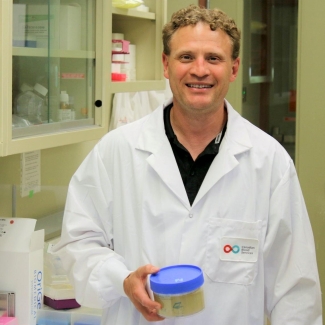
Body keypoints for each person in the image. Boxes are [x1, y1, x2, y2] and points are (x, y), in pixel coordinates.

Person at [53, 5, 322, 325]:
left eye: (213, 58)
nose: (199, 70)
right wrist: (122, 279)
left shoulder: (269, 162)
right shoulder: (116, 152)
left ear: (234, 68)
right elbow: (77, 244)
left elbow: (295, 292)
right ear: (166, 64)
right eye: (186, 57)